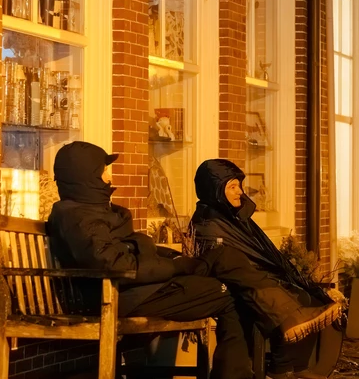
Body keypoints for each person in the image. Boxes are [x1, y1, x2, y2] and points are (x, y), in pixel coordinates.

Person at [46, 142, 253, 379]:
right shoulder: (79, 216)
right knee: (230, 294)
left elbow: (123, 253)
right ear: (84, 175)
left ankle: (276, 328)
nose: (109, 176)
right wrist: (174, 266)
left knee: (225, 268)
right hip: (118, 297)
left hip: (135, 290)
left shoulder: (93, 211)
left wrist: (172, 257)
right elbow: (115, 265)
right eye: (103, 171)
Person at [190, 159, 342, 379]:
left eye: (239, 186)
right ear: (215, 189)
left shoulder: (235, 217)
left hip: (252, 278)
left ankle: (294, 366)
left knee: (307, 294)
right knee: (291, 297)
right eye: (232, 187)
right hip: (234, 286)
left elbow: (257, 250)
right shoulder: (207, 221)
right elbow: (223, 259)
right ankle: (281, 368)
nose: (239, 192)